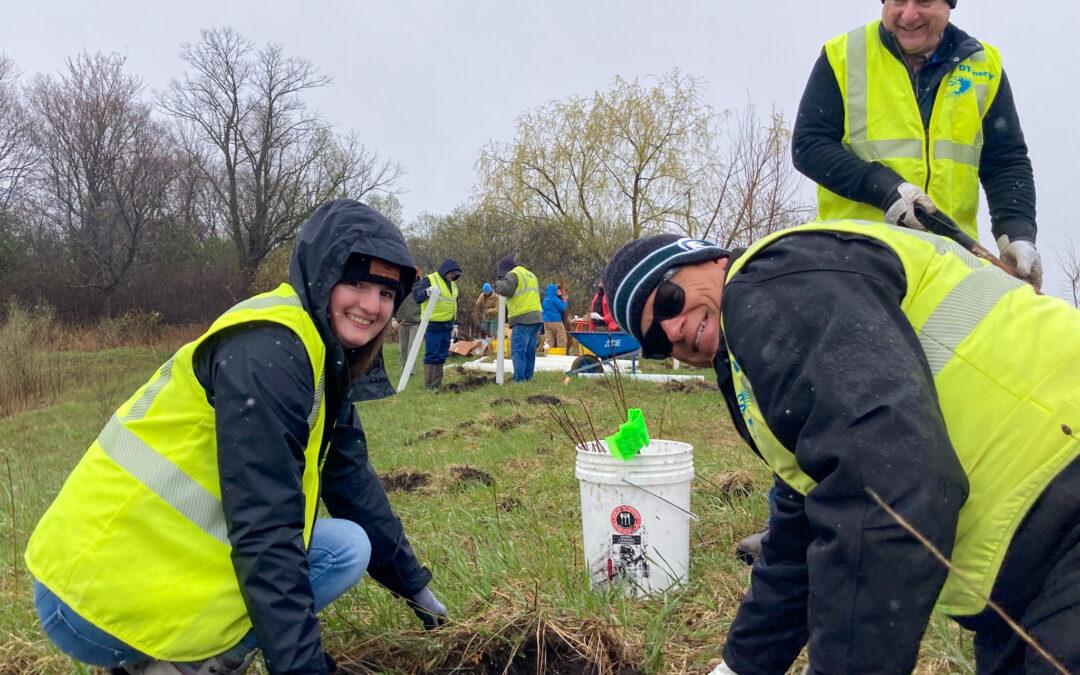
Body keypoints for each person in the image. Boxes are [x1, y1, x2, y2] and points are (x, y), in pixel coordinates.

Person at [604, 225, 1080, 674]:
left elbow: (889, 486)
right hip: (1030, 563)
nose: (671, 331)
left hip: (1062, 508)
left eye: (668, 300)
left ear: (712, 259)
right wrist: (740, 665)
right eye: (651, 342)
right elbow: (803, 524)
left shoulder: (770, 284)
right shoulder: (764, 358)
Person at [25, 199, 448, 675]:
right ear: (323, 276)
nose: (371, 305)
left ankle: (174, 658)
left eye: (387, 293)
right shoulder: (272, 352)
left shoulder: (316, 353)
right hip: (93, 592)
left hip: (152, 562)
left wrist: (420, 594)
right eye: (357, 282)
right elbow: (266, 531)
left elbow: (352, 483)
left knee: (347, 546)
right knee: (308, 551)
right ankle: (179, 667)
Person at [792, 0, 1042, 288]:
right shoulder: (842, 55)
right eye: (898, 1)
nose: (908, 15)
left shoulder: (984, 65)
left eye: (923, 1)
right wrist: (884, 189)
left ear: (948, 6)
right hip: (853, 261)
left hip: (951, 267)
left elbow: (1006, 162)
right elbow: (808, 145)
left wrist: (1018, 233)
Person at [411, 259, 461, 390]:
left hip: (447, 326)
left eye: (455, 275)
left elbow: (454, 305)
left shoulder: (453, 285)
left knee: (442, 355)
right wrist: (427, 292)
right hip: (433, 325)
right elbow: (417, 296)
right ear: (446, 271)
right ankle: (429, 385)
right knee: (432, 355)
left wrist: (455, 324)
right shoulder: (430, 280)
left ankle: (437, 384)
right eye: (452, 274)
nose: (453, 277)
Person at [494, 255, 542, 382]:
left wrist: (499, 281)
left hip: (523, 318)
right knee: (529, 351)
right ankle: (527, 378)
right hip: (536, 316)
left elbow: (505, 290)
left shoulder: (513, 274)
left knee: (518, 350)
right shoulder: (530, 275)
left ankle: (519, 380)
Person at [395, 267, 422, 370]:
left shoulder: (421, 288)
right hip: (402, 322)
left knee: (412, 348)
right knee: (403, 348)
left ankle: (411, 371)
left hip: (416, 322)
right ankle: (403, 370)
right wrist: (394, 318)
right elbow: (394, 302)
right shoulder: (401, 286)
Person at [541, 282, 569, 349]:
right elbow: (562, 308)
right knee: (561, 340)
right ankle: (559, 356)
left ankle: (548, 356)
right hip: (556, 321)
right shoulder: (554, 298)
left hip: (546, 322)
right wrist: (565, 301)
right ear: (554, 290)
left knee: (549, 341)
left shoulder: (545, 299)